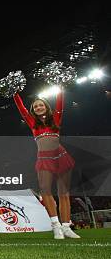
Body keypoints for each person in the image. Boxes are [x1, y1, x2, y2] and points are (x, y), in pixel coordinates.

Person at [13, 89, 79, 239]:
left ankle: (66, 226)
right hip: (44, 159)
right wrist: (14, 93)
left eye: (41, 105)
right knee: (45, 192)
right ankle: (55, 226)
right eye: (35, 107)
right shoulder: (32, 123)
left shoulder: (56, 118)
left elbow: (60, 104)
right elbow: (22, 109)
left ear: (46, 107)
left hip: (61, 157)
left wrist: (60, 88)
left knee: (64, 193)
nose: (38, 108)